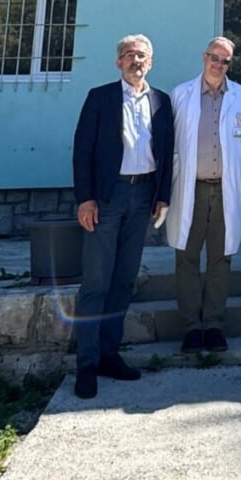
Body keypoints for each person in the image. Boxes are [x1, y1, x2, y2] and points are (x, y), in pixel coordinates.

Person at [71, 34, 173, 400]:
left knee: (124, 280)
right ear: (118, 62)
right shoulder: (100, 98)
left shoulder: (161, 101)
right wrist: (86, 199)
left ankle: (109, 354)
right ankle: (86, 364)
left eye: (141, 55)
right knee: (96, 281)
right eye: (129, 55)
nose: (135, 60)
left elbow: (167, 151)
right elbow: (82, 150)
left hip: (143, 195)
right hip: (108, 197)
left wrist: (163, 196)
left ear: (151, 62)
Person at [166, 37, 241, 354]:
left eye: (225, 61)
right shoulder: (181, 95)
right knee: (187, 257)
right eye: (215, 57)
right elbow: (172, 141)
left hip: (225, 189)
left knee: (221, 257)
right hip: (192, 187)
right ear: (205, 57)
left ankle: (213, 325)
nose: (219, 64)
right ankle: (192, 327)